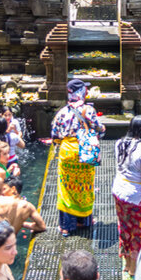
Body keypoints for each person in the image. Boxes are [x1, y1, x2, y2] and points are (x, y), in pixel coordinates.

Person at [51, 79, 105, 236]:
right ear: (81, 92)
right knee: (85, 185)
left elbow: (54, 135)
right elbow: (99, 131)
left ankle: (66, 226)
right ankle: (84, 220)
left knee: (66, 188)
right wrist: (102, 130)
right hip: (85, 151)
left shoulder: (61, 112)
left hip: (67, 152)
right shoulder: (88, 110)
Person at [111, 115, 141, 275]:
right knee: (139, 233)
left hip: (119, 191)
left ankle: (127, 263)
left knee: (124, 227)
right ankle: (134, 270)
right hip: (136, 197)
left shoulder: (120, 143)